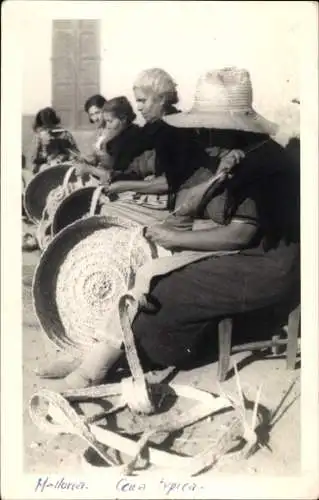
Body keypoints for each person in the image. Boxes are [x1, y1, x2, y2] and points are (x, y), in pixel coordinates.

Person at [40, 67, 300, 390]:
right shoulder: (246, 153)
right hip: (256, 254)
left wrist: (176, 236)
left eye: (209, 128)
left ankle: (108, 360)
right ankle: (97, 354)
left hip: (268, 266)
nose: (203, 135)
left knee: (162, 292)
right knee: (150, 273)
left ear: (232, 128)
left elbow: (240, 234)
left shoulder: (259, 164)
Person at [101, 68, 211, 210]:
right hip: (168, 196)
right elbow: (130, 149)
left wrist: (123, 185)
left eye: (143, 101)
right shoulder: (156, 126)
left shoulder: (175, 130)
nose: (139, 108)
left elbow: (169, 183)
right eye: (137, 101)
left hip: (180, 203)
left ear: (162, 99)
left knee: (107, 209)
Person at [75, 96, 149, 183]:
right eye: (91, 115)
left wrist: (91, 169)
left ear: (123, 119)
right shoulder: (118, 135)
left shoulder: (130, 137)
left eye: (110, 121)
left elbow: (124, 174)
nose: (107, 126)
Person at [31, 107, 79, 174]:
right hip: (44, 169)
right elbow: (34, 161)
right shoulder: (39, 136)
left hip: (63, 166)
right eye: (45, 126)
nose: (48, 129)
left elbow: (75, 154)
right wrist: (41, 145)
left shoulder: (64, 134)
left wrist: (63, 157)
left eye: (50, 125)